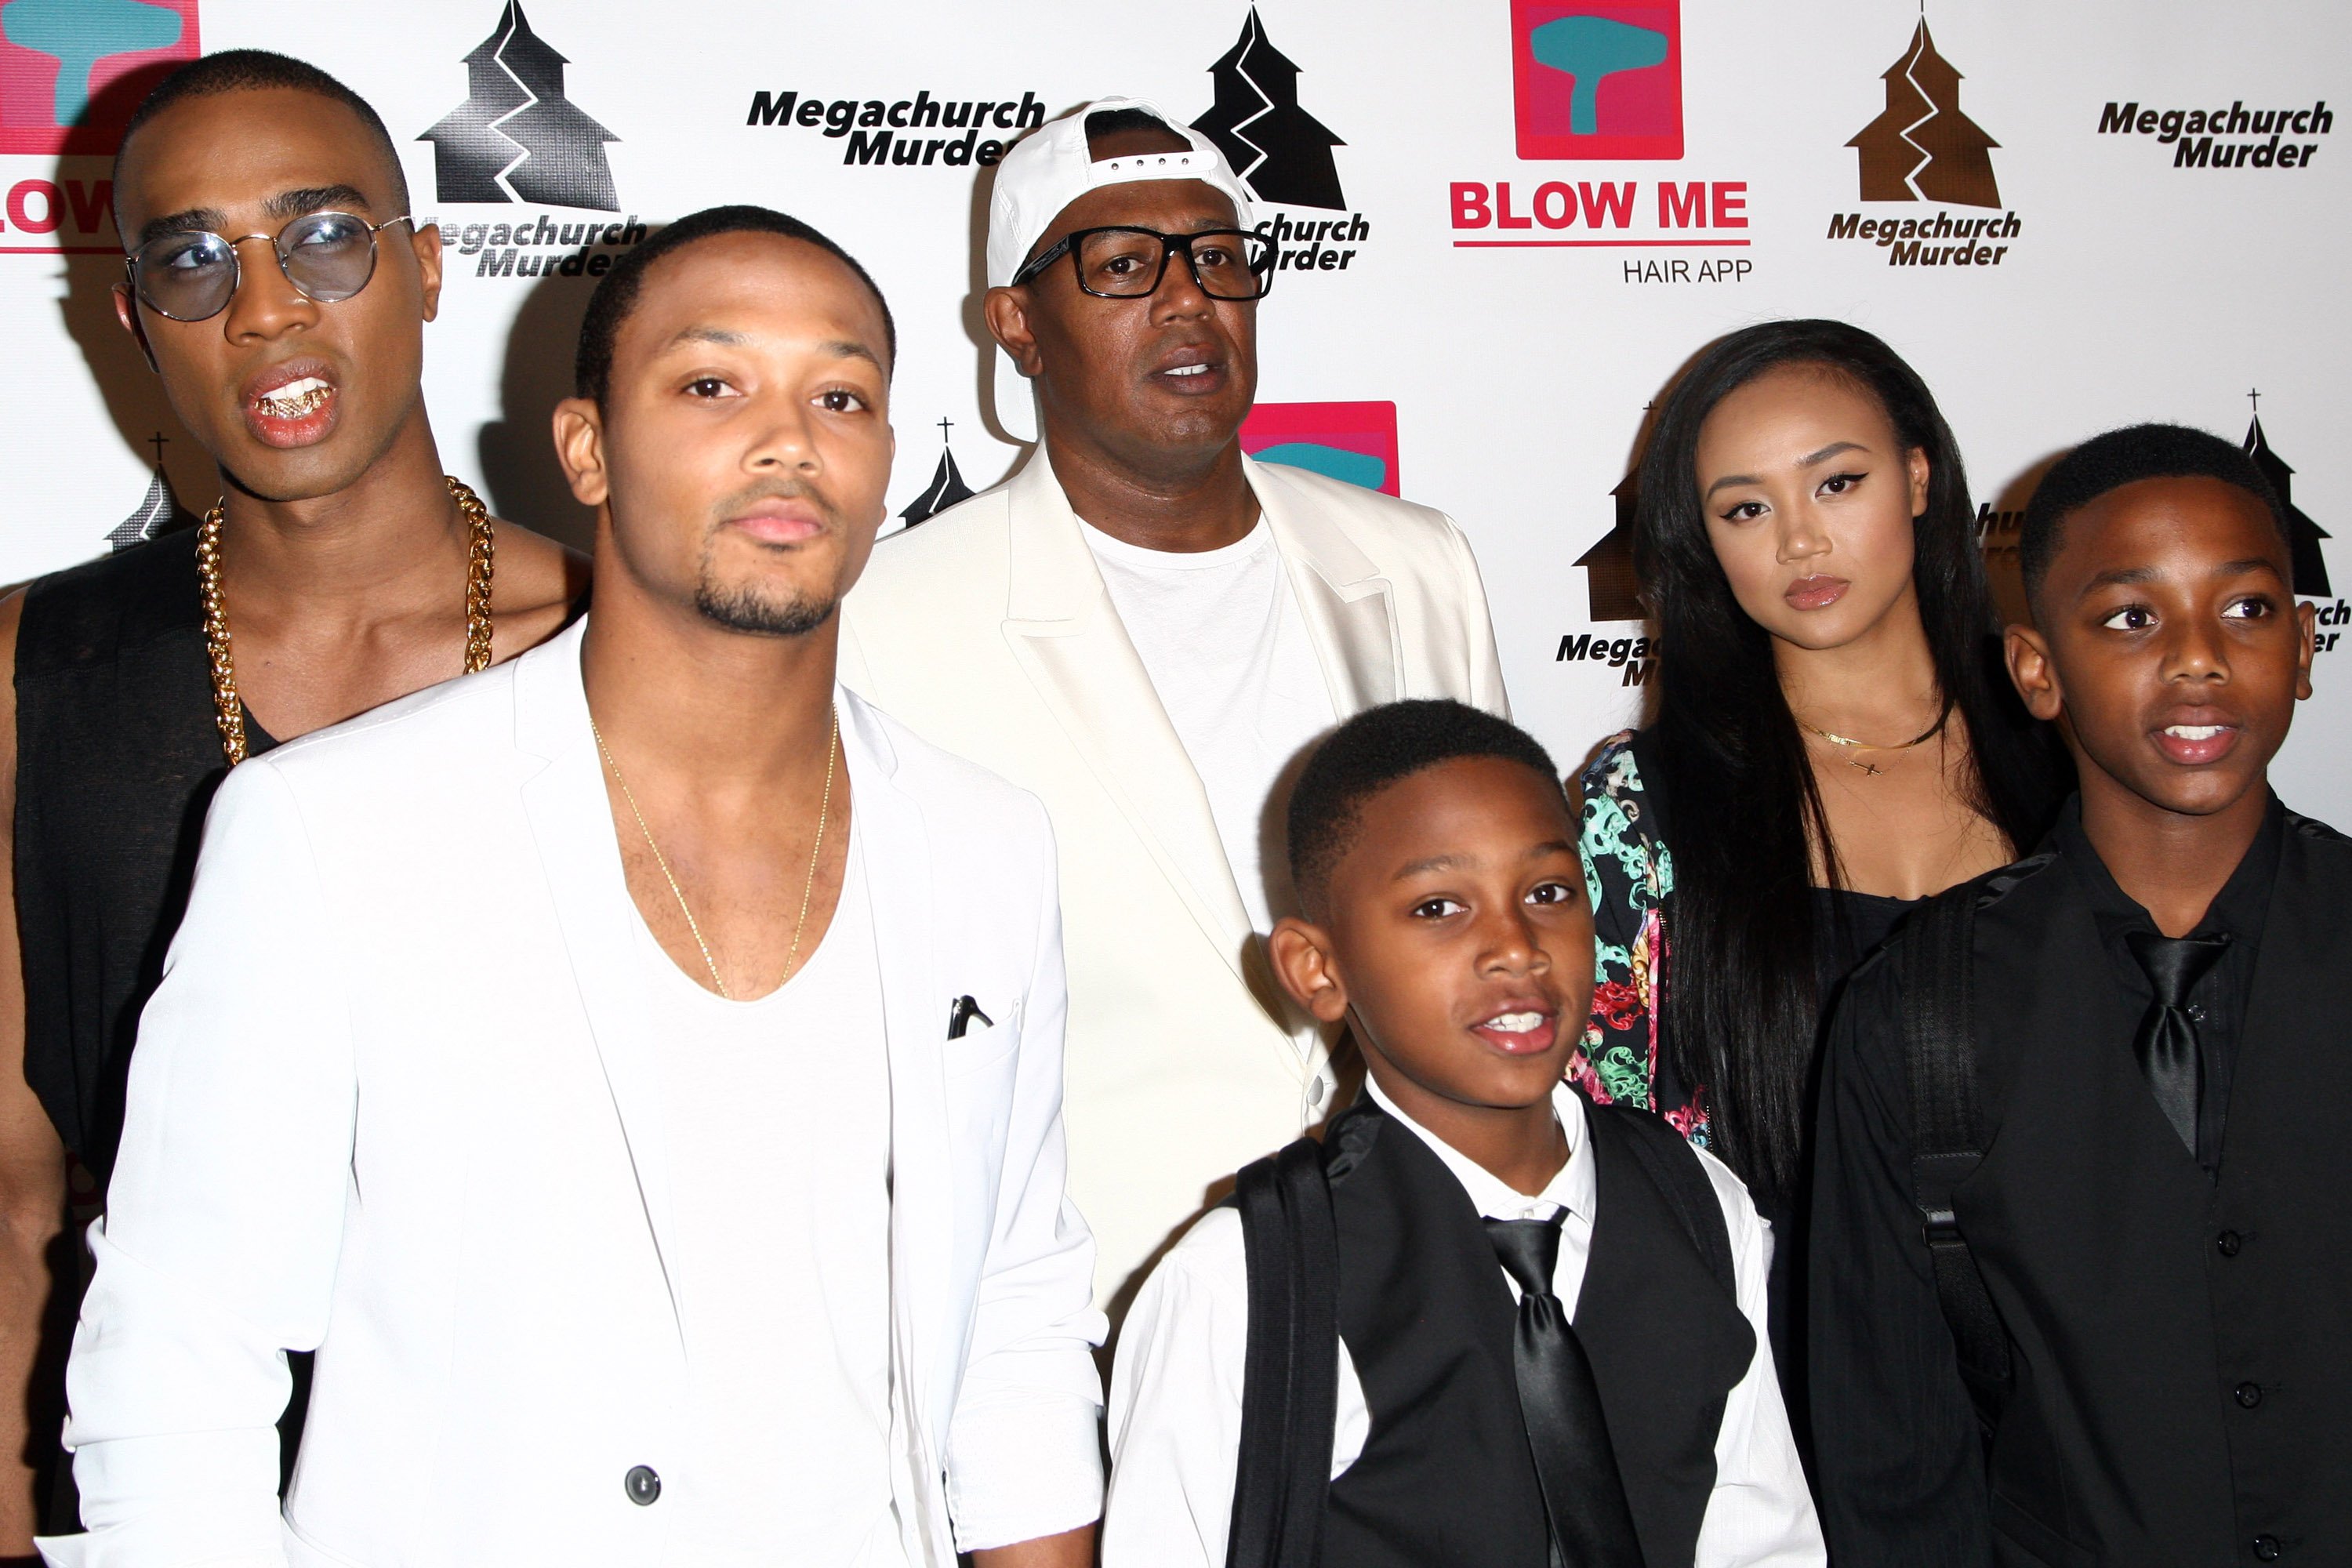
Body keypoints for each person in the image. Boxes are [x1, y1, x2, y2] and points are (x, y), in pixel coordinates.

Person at [43, 206, 1102, 1568]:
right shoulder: (335, 829)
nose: (788, 438)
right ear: (588, 450)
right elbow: (177, 1358)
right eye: (712, 385)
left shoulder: (984, 845)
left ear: (890, 461)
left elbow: (1016, 1310)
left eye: (840, 394)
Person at [0, 50, 586, 1543]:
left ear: (430, 266)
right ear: (135, 319)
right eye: (193, 261)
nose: (263, 308)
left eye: (324, 236)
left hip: (548, 1485)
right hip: (154, 1486)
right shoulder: (33, 673)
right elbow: (10, 1213)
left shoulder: (613, 652)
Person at [842, 100, 1508, 1308]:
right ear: (1017, 325)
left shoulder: (1419, 567)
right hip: (1102, 1320)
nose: (1189, 299)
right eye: (1122, 267)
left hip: (1434, 1292)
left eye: (1219, 258)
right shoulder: (887, 621)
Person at [1102, 699, 1820, 1567]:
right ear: (1317, 968)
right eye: (1439, 905)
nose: (1514, 945)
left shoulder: (1703, 1205)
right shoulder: (1249, 1281)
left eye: (1549, 892)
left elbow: (1763, 1539)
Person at [1809, 423, 2349, 1565]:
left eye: (2247, 609)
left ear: (2306, 647)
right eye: (2131, 617)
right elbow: (1892, 1463)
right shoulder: (1917, 1010)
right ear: (2036, 670)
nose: (2199, 658)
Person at [1574, 320, 2066, 1417]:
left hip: (2080, 1385)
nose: (1801, 542)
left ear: (1920, 476)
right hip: (1789, 1397)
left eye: (1837, 483)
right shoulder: (1642, 804)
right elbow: (1611, 1148)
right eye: (1747, 508)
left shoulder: (2070, 757)